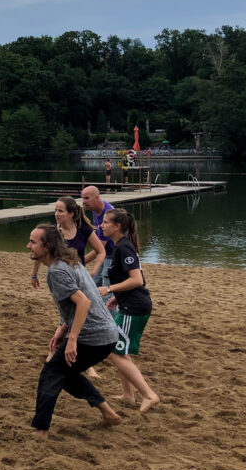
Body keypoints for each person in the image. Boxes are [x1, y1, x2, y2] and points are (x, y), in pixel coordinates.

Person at [27, 224, 124, 437]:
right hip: (106, 334)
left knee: (51, 373)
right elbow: (78, 303)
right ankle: (108, 413)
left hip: (94, 336)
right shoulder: (70, 262)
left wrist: (72, 339)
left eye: (33, 242)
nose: (28, 246)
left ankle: (41, 430)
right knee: (65, 374)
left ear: (48, 246)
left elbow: (84, 303)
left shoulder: (57, 271)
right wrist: (62, 328)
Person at [96, 208, 160, 412]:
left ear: (118, 227)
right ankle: (128, 395)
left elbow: (137, 280)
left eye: (105, 222)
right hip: (129, 303)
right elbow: (134, 279)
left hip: (135, 307)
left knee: (113, 351)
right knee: (119, 350)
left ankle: (149, 395)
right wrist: (117, 296)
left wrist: (110, 289)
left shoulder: (124, 247)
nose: (101, 225)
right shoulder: (121, 246)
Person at [29, 197, 106, 288]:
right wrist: (34, 274)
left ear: (71, 214)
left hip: (79, 277)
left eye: (61, 211)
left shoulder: (83, 229)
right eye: (56, 210)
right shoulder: (52, 232)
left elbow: (101, 251)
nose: (56, 214)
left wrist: (94, 271)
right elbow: (39, 252)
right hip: (60, 277)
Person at [81, 186, 115, 293]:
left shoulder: (108, 214)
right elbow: (96, 234)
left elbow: (99, 248)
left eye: (86, 198)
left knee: (106, 290)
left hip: (114, 255)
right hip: (105, 254)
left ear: (97, 197)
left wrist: (81, 261)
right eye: (82, 198)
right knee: (93, 285)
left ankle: (110, 310)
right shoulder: (95, 210)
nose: (83, 202)